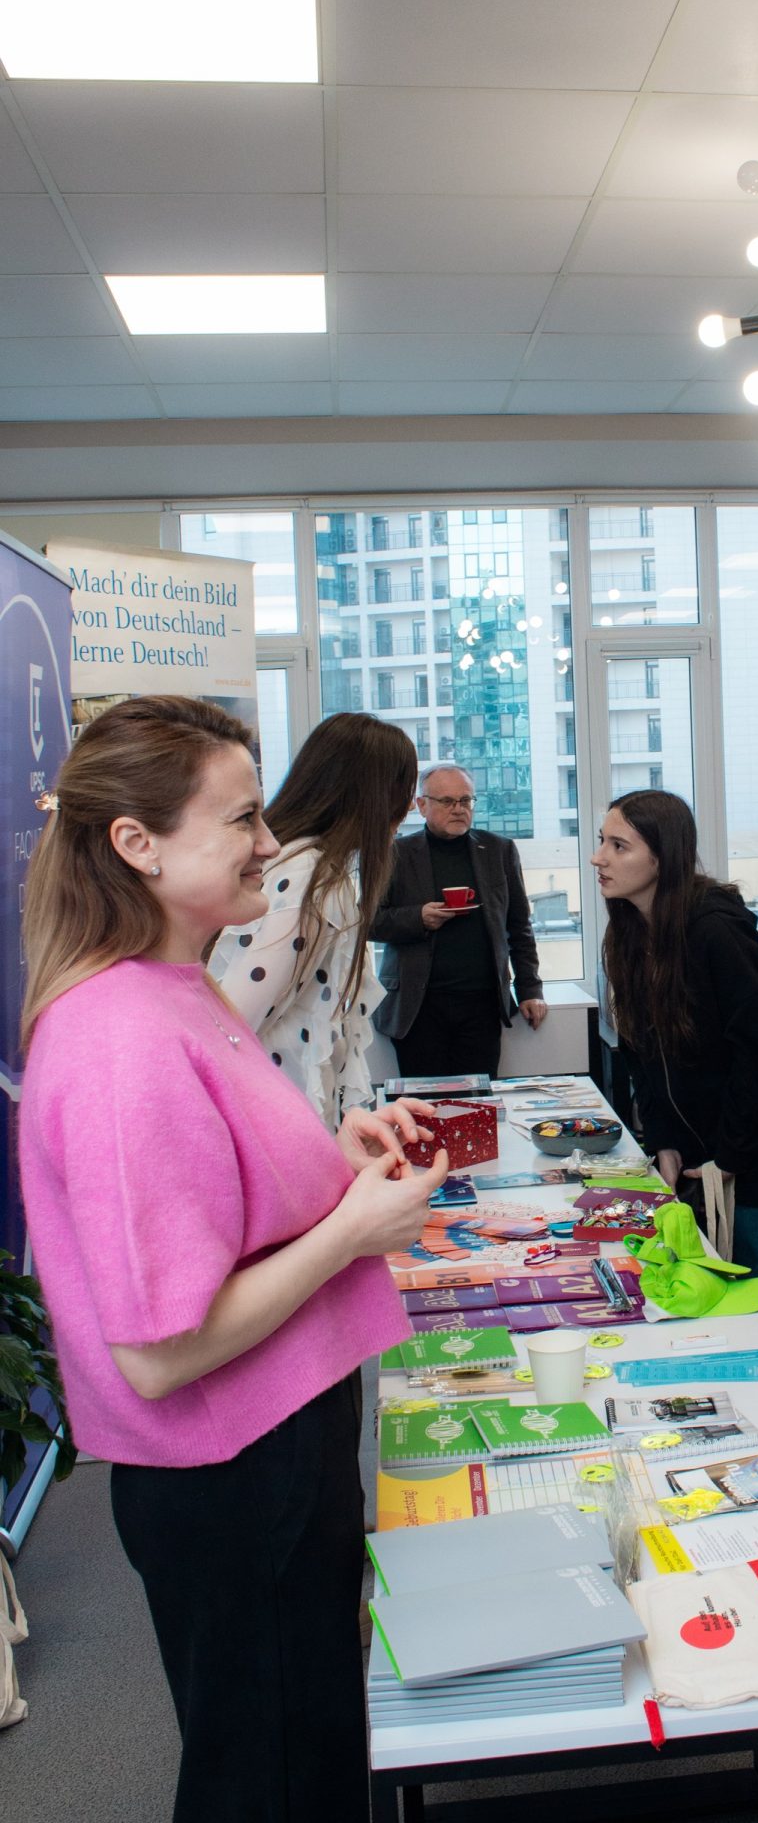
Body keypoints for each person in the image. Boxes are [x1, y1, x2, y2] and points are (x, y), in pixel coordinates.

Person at [17, 694, 447, 1823]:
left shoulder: (178, 987)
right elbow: (161, 1353)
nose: (270, 840)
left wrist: (337, 1158)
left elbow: (225, 1197)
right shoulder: (120, 1036)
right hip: (233, 1468)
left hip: (277, 1438)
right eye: (243, 818)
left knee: (307, 1750)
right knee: (266, 1777)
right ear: (138, 843)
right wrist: (352, 1232)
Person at [592, 789, 758, 1308]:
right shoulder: (628, 934)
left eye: (619, 846)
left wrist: (730, 1155)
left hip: (751, 1165)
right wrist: (662, 1138)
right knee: (699, 1307)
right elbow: (640, 1055)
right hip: (689, 1163)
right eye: (602, 842)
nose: (599, 858)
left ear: (662, 857)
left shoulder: (716, 932)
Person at [209, 711, 418, 1126]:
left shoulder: (310, 868)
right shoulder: (310, 878)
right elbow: (232, 1025)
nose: (408, 806)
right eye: (403, 790)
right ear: (371, 794)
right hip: (277, 1119)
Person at [370, 763, 547, 1080]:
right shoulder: (395, 853)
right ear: (422, 805)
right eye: (447, 801)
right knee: (424, 1105)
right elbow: (369, 922)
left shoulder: (499, 850)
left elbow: (519, 926)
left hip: (482, 1006)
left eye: (466, 800)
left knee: (478, 1101)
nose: (458, 809)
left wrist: (530, 988)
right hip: (417, 1008)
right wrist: (418, 918)